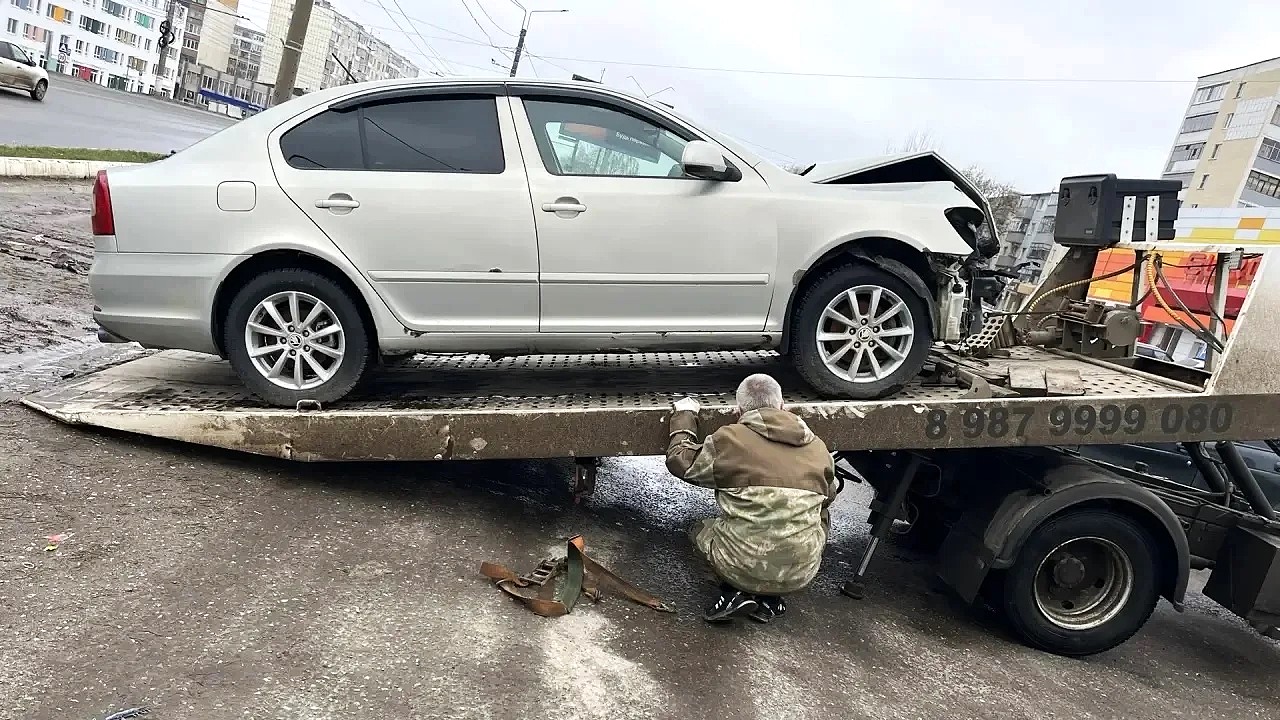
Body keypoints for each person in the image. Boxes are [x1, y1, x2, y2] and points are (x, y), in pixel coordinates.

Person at [666, 373, 837, 624]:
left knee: (698, 529)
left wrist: (685, 415)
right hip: (801, 572)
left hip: (738, 567)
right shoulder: (819, 448)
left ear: (739, 411)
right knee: (820, 511)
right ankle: (770, 600)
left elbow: (680, 461)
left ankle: (732, 592)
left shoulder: (730, 440)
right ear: (782, 406)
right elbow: (829, 495)